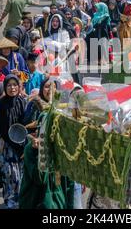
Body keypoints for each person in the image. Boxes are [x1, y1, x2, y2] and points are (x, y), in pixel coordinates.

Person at [19, 78, 75, 209]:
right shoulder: (30, 149)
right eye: (46, 128)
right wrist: (39, 152)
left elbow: (70, 185)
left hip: (59, 204)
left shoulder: (64, 149)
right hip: (37, 203)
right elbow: (40, 179)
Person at [0, 75, 27, 209]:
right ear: (5, 87)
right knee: (10, 176)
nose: (12, 88)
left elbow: (30, 123)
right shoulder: (0, 105)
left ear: (19, 87)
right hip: (5, 147)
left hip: (22, 147)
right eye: (9, 85)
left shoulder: (23, 102)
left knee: (21, 177)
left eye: (15, 85)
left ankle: (20, 202)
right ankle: (10, 204)